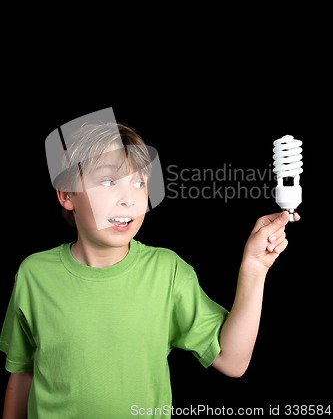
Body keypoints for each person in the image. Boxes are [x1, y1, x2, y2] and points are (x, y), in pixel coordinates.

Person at [0, 119, 300, 419]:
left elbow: (232, 361)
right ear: (67, 194)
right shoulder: (34, 274)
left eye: (139, 182)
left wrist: (254, 266)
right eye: (107, 181)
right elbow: (23, 374)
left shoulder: (166, 272)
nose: (128, 198)